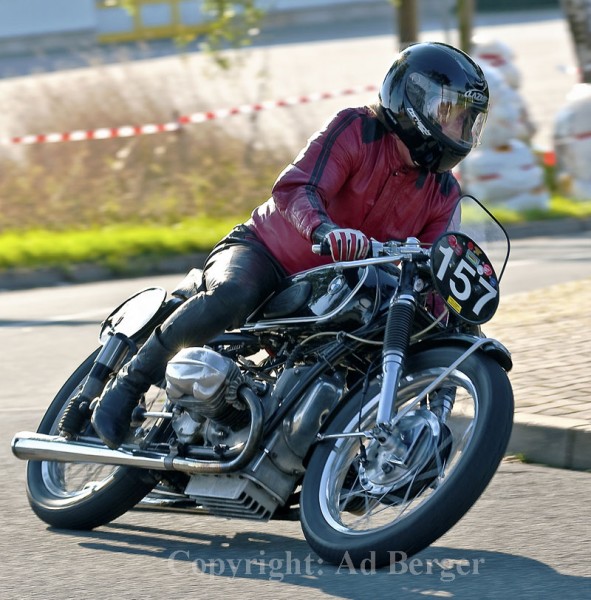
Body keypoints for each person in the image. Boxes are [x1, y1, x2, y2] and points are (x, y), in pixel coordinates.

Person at [90, 41, 490, 450]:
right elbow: (296, 187)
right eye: (454, 116)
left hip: (344, 294)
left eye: (469, 122)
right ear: (415, 101)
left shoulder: (444, 193)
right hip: (270, 253)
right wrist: (324, 232)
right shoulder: (356, 129)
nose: (462, 132)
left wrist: (453, 318)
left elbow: (428, 265)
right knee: (232, 295)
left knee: (373, 354)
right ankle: (129, 383)